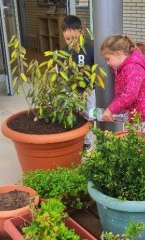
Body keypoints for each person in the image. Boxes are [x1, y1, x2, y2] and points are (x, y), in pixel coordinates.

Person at [100, 34, 145, 130]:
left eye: (108, 59)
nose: (107, 63)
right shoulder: (124, 67)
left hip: (141, 117)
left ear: (118, 54)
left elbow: (130, 94)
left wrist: (111, 109)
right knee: (131, 140)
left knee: (139, 142)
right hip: (133, 115)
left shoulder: (133, 67)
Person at [61, 15, 95, 151]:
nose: (70, 42)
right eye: (67, 39)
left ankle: (87, 141)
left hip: (89, 91)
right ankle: (75, 139)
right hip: (71, 91)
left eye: (73, 38)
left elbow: (96, 70)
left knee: (89, 114)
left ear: (81, 32)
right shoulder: (64, 52)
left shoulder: (90, 50)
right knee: (73, 113)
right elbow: (62, 72)